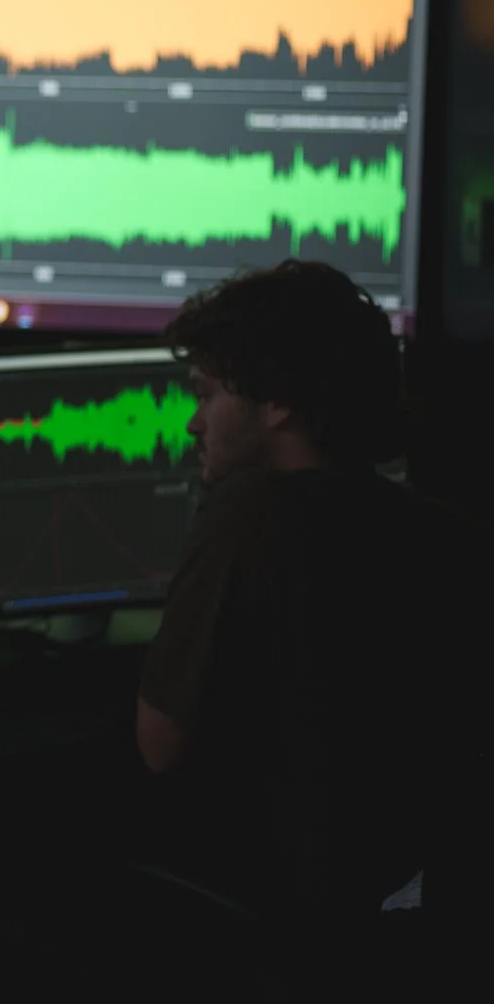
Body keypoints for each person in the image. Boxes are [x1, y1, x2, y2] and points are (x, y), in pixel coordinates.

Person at [140, 259, 473, 924]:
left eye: (207, 394)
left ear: (278, 401)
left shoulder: (246, 518)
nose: (192, 424)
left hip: (291, 909)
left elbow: (160, 745)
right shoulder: (442, 529)